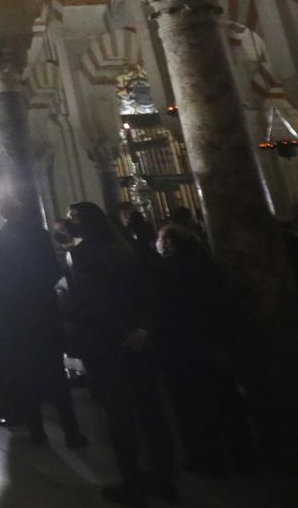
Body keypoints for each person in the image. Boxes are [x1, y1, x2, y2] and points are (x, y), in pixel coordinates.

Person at [67, 202, 177, 506]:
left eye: (72, 217)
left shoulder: (83, 253)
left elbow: (92, 302)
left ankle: (133, 481)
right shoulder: (125, 245)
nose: (68, 221)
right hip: (139, 341)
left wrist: (121, 333)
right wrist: (141, 330)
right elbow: (144, 291)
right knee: (151, 409)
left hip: (109, 343)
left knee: (119, 415)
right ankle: (165, 477)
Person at [150, 223, 250, 475]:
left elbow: (158, 312)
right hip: (214, 342)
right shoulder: (211, 266)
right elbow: (227, 304)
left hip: (180, 346)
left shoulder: (162, 270)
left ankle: (203, 456)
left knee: (190, 405)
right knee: (226, 398)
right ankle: (242, 454)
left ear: (168, 243)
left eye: (160, 239)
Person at [0, 200, 86, 448]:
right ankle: (72, 432)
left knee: (25, 376)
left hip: (16, 319)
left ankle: (37, 432)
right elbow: (52, 271)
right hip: (43, 314)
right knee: (56, 376)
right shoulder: (38, 235)